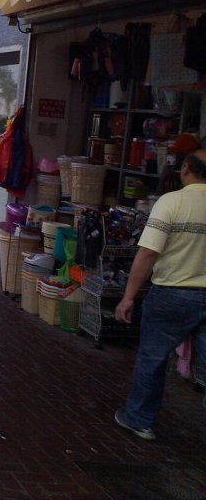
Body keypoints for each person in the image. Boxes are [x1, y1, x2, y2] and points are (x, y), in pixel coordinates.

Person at [114, 148, 206, 440]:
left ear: (186, 170)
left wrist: (128, 296)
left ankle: (139, 420)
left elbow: (148, 252)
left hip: (172, 294)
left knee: (152, 359)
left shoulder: (172, 202)